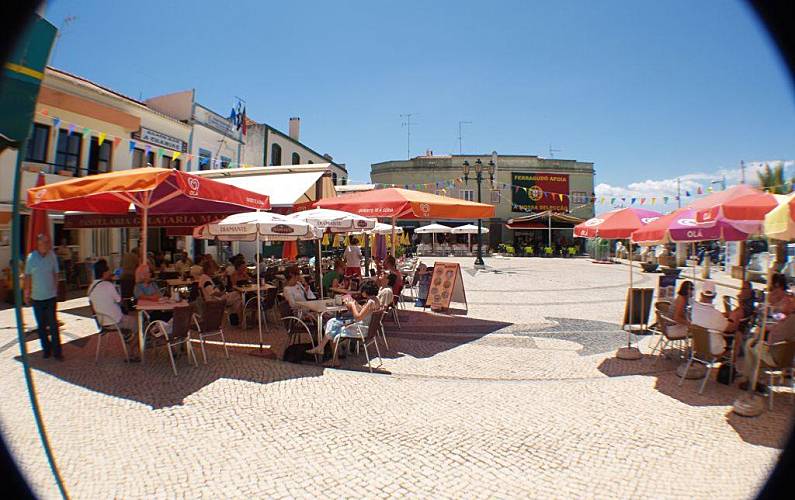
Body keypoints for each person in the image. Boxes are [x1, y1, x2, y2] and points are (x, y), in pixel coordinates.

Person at [308, 281, 381, 367]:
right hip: (366, 328)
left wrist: (353, 305)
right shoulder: (375, 300)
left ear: (366, 291)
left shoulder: (370, 302)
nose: (361, 292)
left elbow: (358, 317)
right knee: (333, 322)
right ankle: (321, 347)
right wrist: (355, 304)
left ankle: (333, 359)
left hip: (361, 329)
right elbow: (364, 312)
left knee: (333, 332)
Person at [88, 259, 140, 362]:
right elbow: (120, 301)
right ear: (104, 273)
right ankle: (131, 352)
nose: (110, 273)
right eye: (108, 271)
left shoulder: (90, 287)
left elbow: (93, 305)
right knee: (139, 323)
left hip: (102, 321)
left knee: (128, 320)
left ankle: (128, 337)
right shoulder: (108, 286)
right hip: (116, 321)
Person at [24, 234, 62, 360]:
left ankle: (57, 352)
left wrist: (56, 289)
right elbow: (28, 276)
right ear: (38, 244)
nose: (45, 245)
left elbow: (56, 273)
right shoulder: (31, 258)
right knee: (41, 326)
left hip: (50, 296)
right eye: (43, 243)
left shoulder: (52, 256)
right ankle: (46, 349)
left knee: (53, 325)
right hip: (37, 297)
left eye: (47, 242)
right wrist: (27, 293)